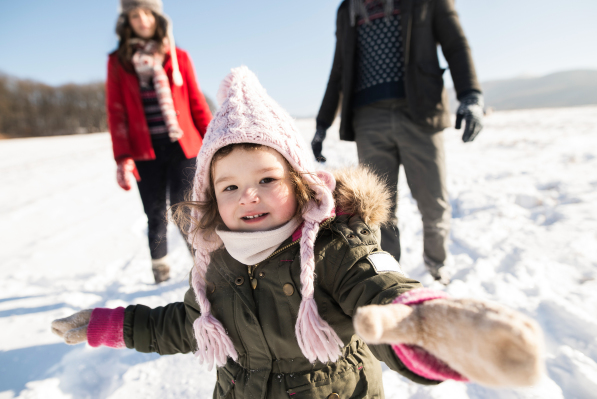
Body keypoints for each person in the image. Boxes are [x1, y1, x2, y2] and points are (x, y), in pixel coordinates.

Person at [52, 67, 542, 398]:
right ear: (211, 199)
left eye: (267, 179)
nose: (249, 195)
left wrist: (428, 327)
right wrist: (109, 324)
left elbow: (381, 294)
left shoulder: (335, 246)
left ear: (300, 183)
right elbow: (184, 325)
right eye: (230, 186)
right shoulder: (217, 261)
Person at [312, 0, 484, 284]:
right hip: (368, 118)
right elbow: (339, 69)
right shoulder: (347, 10)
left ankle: (436, 263)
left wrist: (471, 95)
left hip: (419, 111)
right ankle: (388, 273)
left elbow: (456, 43)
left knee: (432, 199)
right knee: (377, 207)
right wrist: (322, 123)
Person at [107, 0, 212, 283]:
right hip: (144, 151)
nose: (141, 19)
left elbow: (196, 103)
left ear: (157, 17)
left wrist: (216, 140)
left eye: (146, 13)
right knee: (155, 213)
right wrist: (122, 157)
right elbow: (116, 111)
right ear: (126, 21)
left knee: (184, 209)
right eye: (133, 14)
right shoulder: (118, 62)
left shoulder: (177, 57)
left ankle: (203, 268)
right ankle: (161, 271)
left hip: (182, 147)